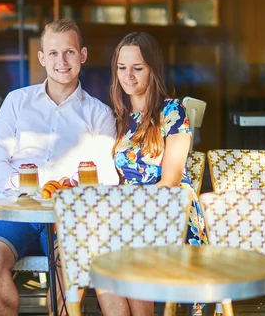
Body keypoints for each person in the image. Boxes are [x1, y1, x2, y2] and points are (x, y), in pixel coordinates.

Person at [0, 18, 118, 316]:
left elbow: (106, 176)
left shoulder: (99, 114)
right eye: (53, 53)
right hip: (18, 212)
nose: (61, 61)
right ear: (42, 58)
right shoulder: (17, 102)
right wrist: (28, 185)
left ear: (83, 55)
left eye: (68, 52)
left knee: (66, 276)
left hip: (69, 217)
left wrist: (69, 189)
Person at [102, 31, 208, 316]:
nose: (129, 76)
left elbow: (171, 180)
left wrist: (129, 209)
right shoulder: (119, 118)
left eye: (138, 68)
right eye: (122, 68)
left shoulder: (173, 111)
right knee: (96, 253)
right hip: (132, 217)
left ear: (153, 69)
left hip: (170, 211)